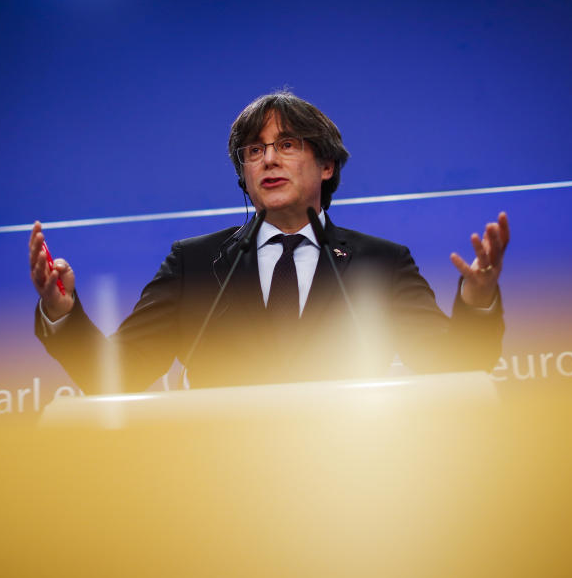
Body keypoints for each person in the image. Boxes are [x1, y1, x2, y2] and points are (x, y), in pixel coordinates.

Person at [29, 92, 509, 393]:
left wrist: (478, 299)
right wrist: (61, 313)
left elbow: (455, 366)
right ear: (244, 176)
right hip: (223, 493)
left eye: (287, 145)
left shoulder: (379, 263)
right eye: (254, 151)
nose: (268, 160)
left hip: (349, 493)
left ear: (327, 166)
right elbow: (115, 375)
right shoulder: (194, 265)